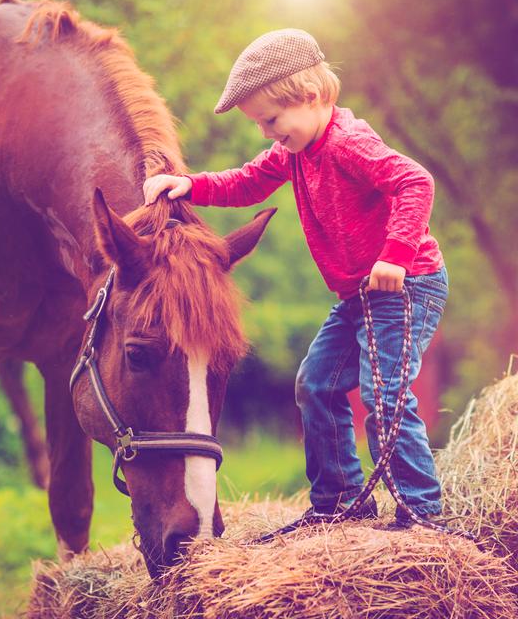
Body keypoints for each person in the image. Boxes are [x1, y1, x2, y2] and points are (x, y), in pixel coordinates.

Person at [143, 29, 447, 528]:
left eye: (270, 119)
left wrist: (395, 254)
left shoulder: (349, 143)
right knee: (316, 383)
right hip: (358, 297)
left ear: (307, 96)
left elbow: (415, 181)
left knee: (384, 394)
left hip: (405, 284)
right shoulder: (295, 153)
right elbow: (246, 181)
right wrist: (190, 186)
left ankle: (423, 513)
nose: (266, 133)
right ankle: (342, 499)